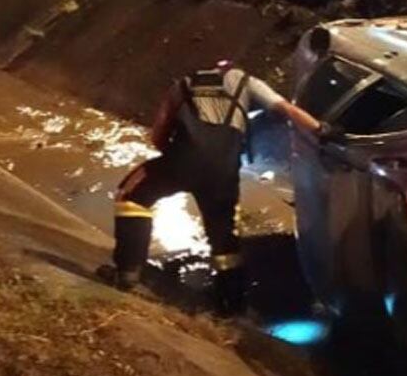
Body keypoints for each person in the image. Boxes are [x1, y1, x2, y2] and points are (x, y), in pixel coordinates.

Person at [103, 60, 323, 314]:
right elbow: (288, 110)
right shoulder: (246, 82)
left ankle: (127, 274)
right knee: (224, 237)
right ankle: (230, 307)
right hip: (223, 169)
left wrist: (175, 160)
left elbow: (158, 134)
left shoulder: (183, 84)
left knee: (131, 197)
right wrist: (322, 129)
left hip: (182, 159)